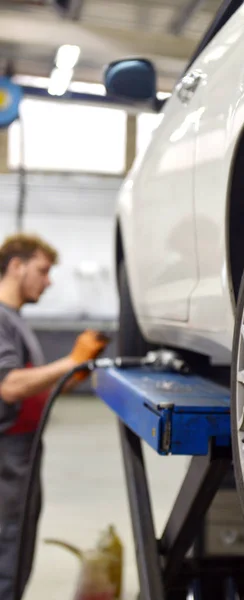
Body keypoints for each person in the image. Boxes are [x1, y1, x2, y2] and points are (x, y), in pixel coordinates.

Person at [0, 233, 109, 599]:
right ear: (16, 266)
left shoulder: (15, 321)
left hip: (23, 456)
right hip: (5, 456)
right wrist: (70, 361)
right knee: (5, 556)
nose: (48, 281)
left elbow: (35, 392)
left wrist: (70, 376)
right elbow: (9, 386)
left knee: (17, 554)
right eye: (42, 270)